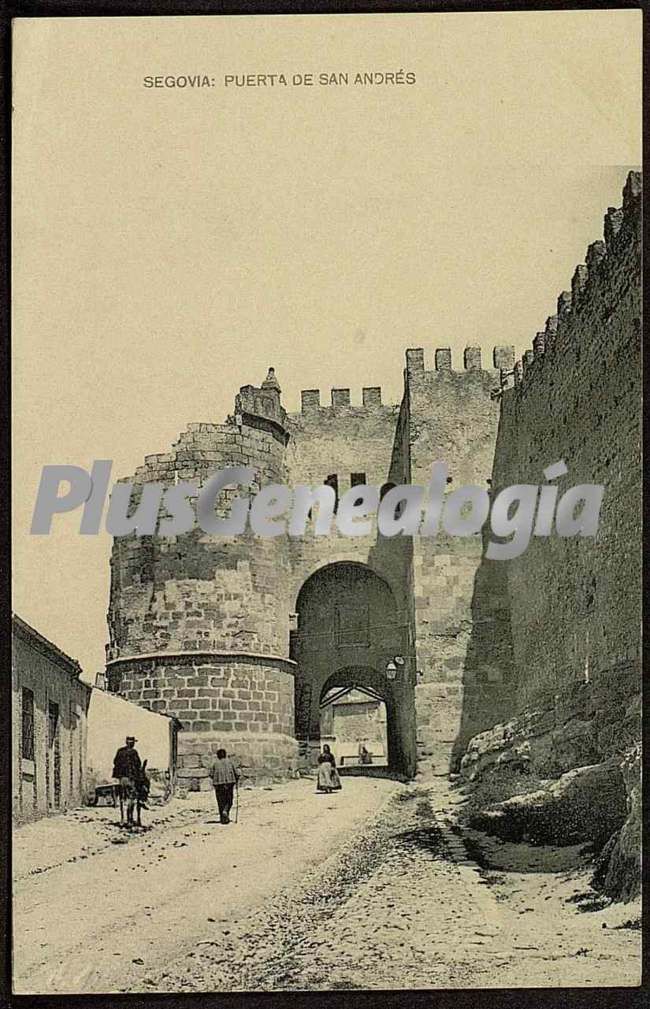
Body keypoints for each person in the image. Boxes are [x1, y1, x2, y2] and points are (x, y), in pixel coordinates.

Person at [112, 735, 142, 826]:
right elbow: (138, 764)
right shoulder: (134, 752)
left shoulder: (120, 751)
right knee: (131, 798)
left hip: (121, 779)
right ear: (132, 743)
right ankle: (130, 819)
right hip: (130, 778)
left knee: (122, 799)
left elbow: (115, 762)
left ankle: (122, 819)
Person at [210, 748, 239, 824]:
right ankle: (225, 811)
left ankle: (223, 818)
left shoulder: (215, 764)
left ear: (218, 756)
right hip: (229, 783)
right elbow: (236, 773)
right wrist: (236, 778)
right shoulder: (230, 763)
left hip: (219, 784)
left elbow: (211, 774)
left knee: (220, 801)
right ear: (225, 755)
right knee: (229, 800)